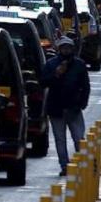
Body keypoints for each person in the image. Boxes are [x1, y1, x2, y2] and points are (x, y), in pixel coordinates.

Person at [41, 37, 91, 176]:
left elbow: (85, 86)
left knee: (79, 138)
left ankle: (82, 164)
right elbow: (43, 82)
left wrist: (82, 103)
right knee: (60, 140)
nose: (66, 50)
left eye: (68, 48)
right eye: (63, 48)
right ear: (59, 49)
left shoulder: (79, 65)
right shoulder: (51, 64)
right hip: (56, 109)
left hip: (74, 109)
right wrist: (56, 74)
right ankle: (64, 166)